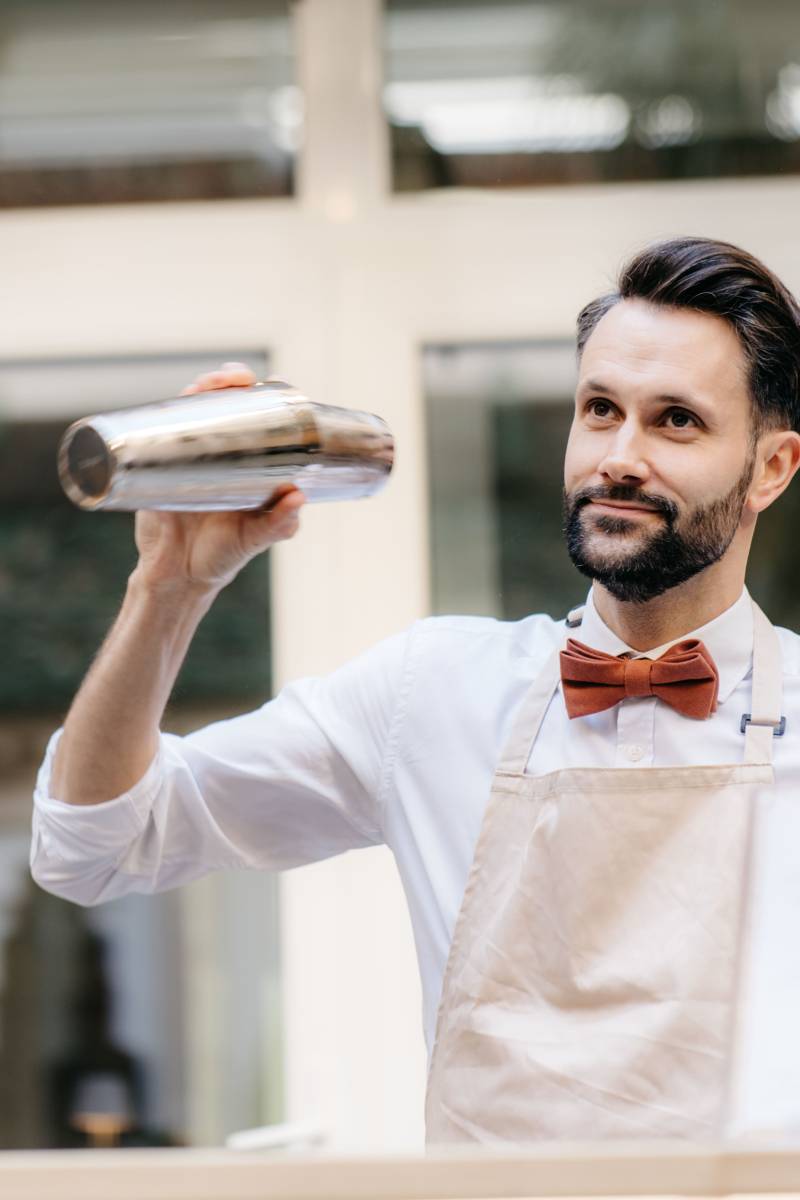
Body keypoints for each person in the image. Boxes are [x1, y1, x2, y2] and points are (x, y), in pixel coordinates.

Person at [31, 236, 800, 1144]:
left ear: (771, 468)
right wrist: (168, 588)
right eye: (600, 409)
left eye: (676, 421)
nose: (620, 456)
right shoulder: (431, 691)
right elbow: (92, 845)